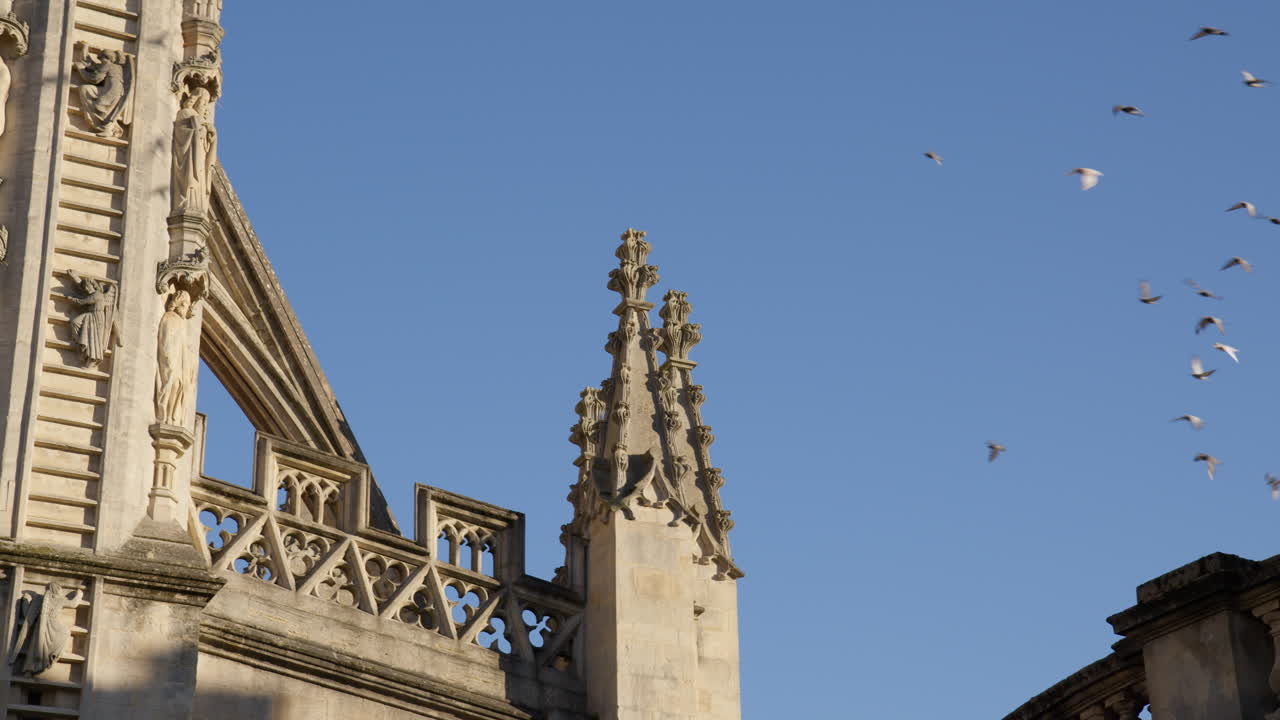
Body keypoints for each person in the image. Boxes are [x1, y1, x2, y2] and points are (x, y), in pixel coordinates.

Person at [155, 290, 195, 425]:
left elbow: (184, 347)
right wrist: (170, 359)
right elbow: (166, 341)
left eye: (188, 305)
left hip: (180, 363)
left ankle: (172, 417)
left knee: (179, 386)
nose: (187, 308)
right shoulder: (170, 317)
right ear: (176, 304)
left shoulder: (181, 322)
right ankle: (166, 417)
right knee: (173, 385)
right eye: (184, 304)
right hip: (171, 360)